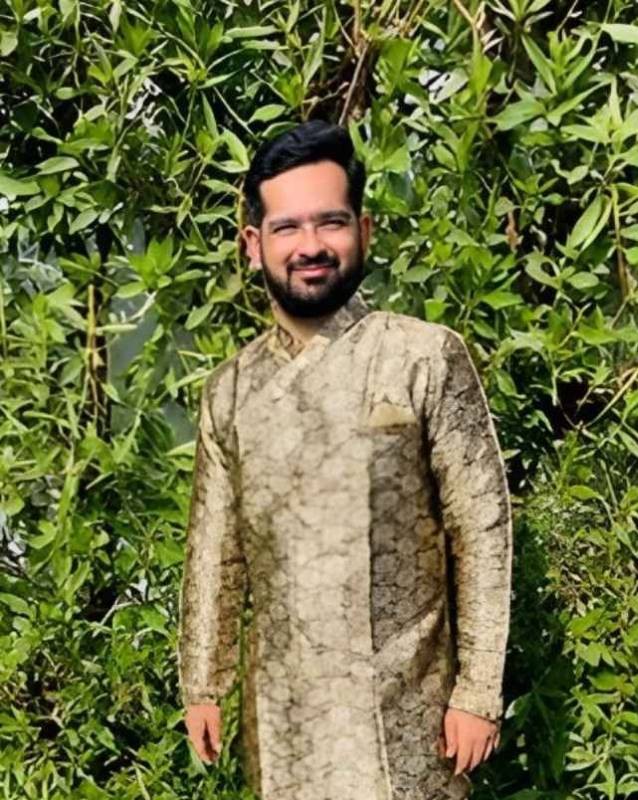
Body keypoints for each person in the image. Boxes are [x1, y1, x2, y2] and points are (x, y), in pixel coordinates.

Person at [177, 120, 512, 800]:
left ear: (363, 230)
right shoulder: (230, 391)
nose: (310, 246)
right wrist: (204, 684)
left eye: (329, 222)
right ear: (253, 245)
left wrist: (478, 691)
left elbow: (481, 526)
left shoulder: (422, 357)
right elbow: (215, 547)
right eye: (287, 228)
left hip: (408, 711)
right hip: (284, 718)